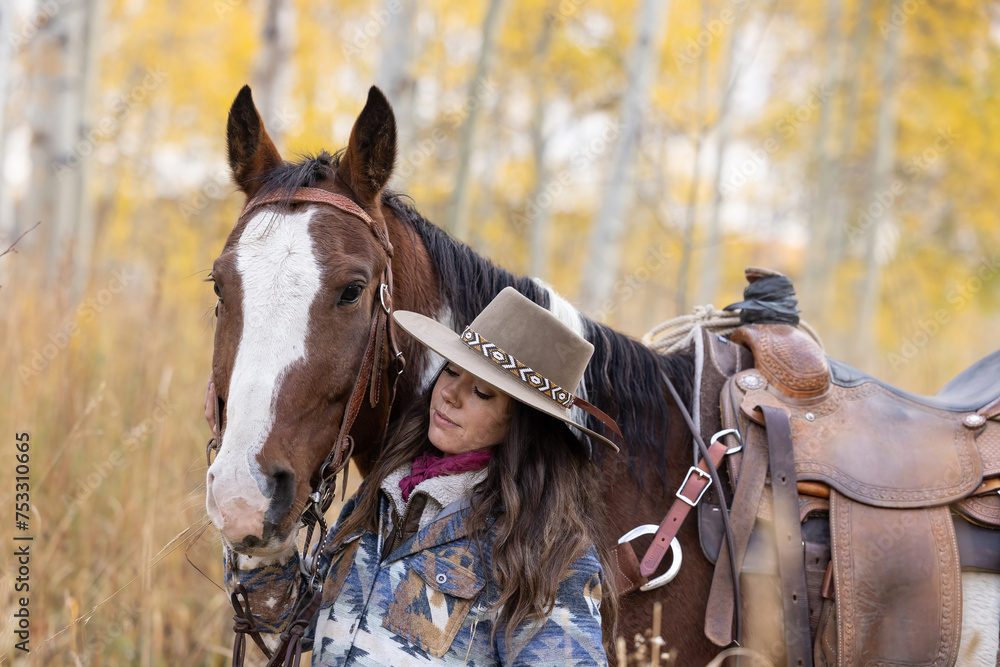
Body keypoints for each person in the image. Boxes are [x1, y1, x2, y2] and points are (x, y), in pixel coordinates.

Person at [213, 287, 623, 665]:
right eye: (451, 371)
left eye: (482, 392)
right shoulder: (384, 494)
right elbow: (289, 620)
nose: (450, 394)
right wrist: (257, 535)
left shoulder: (545, 546)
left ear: (523, 424)